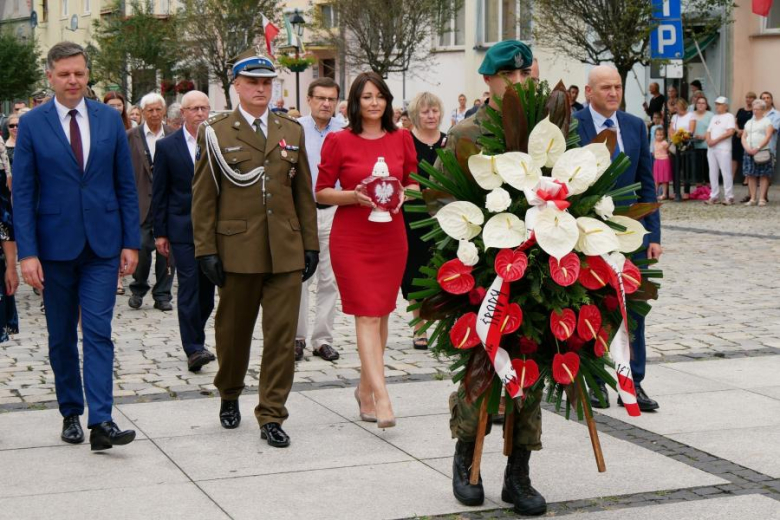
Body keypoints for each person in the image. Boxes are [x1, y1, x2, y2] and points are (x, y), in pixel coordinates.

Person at [437, 40, 547, 517]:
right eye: (510, 77)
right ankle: (467, 461)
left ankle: (518, 473)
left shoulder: (547, 130)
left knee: (531, 369)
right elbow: (438, 200)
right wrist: (478, 242)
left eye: (526, 76)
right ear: (489, 80)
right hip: (481, 274)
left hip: (540, 272)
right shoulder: (466, 132)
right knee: (481, 369)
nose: (519, 84)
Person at [13, 41, 140, 451]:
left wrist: (129, 241)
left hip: (102, 246)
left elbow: (125, 184)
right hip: (53, 248)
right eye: (65, 74)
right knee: (62, 335)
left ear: (88, 76)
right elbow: (24, 193)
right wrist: (27, 253)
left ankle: (101, 420)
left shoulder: (108, 119)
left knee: (99, 332)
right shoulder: (33, 124)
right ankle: (71, 410)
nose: (73, 81)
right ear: (50, 76)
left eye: (80, 74)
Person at [191, 48, 319, 448]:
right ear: (237, 87)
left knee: (282, 337)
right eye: (253, 83)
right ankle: (229, 391)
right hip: (237, 248)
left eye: (267, 82)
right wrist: (205, 249)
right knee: (232, 333)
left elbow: (303, 192)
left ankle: (271, 414)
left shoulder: (291, 129)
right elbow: (204, 196)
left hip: (284, 248)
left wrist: (309, 244)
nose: (261, 89)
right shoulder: (215, 131)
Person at [315, 71, 418, 431]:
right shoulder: (338, 141)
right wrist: (353, 197)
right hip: (353, 237)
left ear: (388, 101)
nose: (374, 103)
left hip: (391, 237)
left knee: (384, 313)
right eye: (366, 97)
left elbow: (414, 181)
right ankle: (383, 396)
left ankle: (364, 389)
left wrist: (406, 193)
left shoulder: (402, 137)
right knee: (367, 316)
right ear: (355, 104)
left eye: (380, 96)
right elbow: (321, 191)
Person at [575, 65, 662, 413]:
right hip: (589, 231)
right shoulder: (573, 127)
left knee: (635, 307)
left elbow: (647, 182)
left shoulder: (635, 126)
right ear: (589, 91)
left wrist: (654, 233)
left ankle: (634, 382)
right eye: (606, 87)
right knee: (595, 306)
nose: (613, 92)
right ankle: (596, 380)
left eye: (618, 87)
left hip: (632, 232)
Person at [152, 90, 217, 372]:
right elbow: (160, 192)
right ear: (184, 113)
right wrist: (160, 232)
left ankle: (197, 334)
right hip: (182, 228)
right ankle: (193, 348)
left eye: (204, 108)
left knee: (207, 291)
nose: (200, 114)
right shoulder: (168, 147)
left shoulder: (219, 142)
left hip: (215, 228)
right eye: (194, 109)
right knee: (189, 286)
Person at [295, 77, 344, 362]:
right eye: (321, 98)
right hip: (304, 211)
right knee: (300, 276)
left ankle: (322, 339)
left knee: (330, 279)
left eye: (331, 99)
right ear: (309, 100)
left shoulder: (345, 131)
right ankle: (297, 337)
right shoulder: (295, 129)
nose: (326, 103)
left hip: (336, 211)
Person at [402, 91, 446, 350]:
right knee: (414, 272)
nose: (431, 116)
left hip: (444, 213)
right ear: (415, 116)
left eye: (435, 111)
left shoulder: (449, 141)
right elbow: (402, 180)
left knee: (441, 268)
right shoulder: (405, 141)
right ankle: (420, 328)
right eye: (425, 112)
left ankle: (441, 324)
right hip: (413, 215)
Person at [126, 92, 175, 311]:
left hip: (168, 203)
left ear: (164, 111)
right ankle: (138, 287)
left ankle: (163, 294)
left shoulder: (174, 135)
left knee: (167, 251)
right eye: (150, 110)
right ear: (142, 113)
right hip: (140, 202)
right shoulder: (131, 136)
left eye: (158, 109)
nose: (154, 114)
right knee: (143, 247)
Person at [741, 99, 775, 206]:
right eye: (753, 109)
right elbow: (744, 136)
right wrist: (747, 147)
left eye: (757, 109)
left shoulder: (767, 121)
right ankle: (752, 198)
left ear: (763, 110)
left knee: (763, 175)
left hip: (762, 151)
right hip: (749, 151)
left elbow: (768, 136)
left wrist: (758, 147)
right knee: (751, 174)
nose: (755, 111)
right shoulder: (749, 122)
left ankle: (762, 198)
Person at [705, 97, 736, 205]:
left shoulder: (729, 116)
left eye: (720, 104)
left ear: (726, 106)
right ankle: (714, 195)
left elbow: (730, 131)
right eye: (716, 104)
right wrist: (709, 140)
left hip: (723, 148)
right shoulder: (714, 117)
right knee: (712, 172)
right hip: (712, 148)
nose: (717, 106)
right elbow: (708, 130)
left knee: (726, 172)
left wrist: (716, 140)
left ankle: (729, 196)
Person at [670, 98, 693, 200]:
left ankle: (687, 191)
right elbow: (671, 130)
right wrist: (674, 138)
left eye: (677, 106)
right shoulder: (674, 117)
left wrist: (681, 137)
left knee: (686, 168)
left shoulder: (691, 115)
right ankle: (676, 191)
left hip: (686, 144)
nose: (675, 108)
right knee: (675, 168)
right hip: (676, 144)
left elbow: (691, 130)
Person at [690, 95, 714, 187]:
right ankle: (698, 189)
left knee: (708, 167)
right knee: (697, 168)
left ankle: (710, 189)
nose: (701, 105)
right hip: (694, 145)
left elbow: (713, 129)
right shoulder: (691, 114)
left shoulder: (711, 115)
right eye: (699, 103)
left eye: (703, 103)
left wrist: (704, 136)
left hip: (707, 145)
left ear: (706, 105)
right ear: (696, 104)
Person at [733, 92, 756, 184]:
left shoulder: (755, 111)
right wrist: (738, 130)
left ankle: (747, 178)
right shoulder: (740, 110)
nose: (748, 99)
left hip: (748, 137)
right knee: (734, 157)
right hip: (738, 136)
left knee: (747, 156)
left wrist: (744, 132)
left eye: (751, 98)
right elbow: (735, 122)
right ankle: (731, 177)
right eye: (747, 97)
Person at [653, 127, 672, 200]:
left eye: (661, 135)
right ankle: (655, 193)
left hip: (664, 161)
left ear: (663, 135)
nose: (659, 136)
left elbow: (669, 150)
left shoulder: (664, 143)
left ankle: (664, 194)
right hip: (657, 160)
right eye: (657, 135)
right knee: (656, 179)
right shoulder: (655, 142)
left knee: (664, 179)